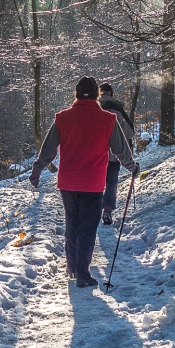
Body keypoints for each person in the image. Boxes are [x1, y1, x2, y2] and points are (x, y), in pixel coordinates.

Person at [29, 76, 139, 287]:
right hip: (93, 182)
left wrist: (37, 170)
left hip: (68, 182)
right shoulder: (107, 120)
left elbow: (48, 149)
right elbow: (121, 150)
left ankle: (72, 267)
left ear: (76, 94)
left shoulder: (62, 118)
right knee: (88, 228)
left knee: (72, 223)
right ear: (97, 95)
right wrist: (133, 168)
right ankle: (82, 273)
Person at [98, 82, 136, 225]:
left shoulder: (94, 109)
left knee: (98, 182)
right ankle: (107, 211)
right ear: (111, 94)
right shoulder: (118, 110)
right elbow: (130, 132)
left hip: (97, 155)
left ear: (100, 93)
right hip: (114, 155)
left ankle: (95, 210)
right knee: (111, 182)